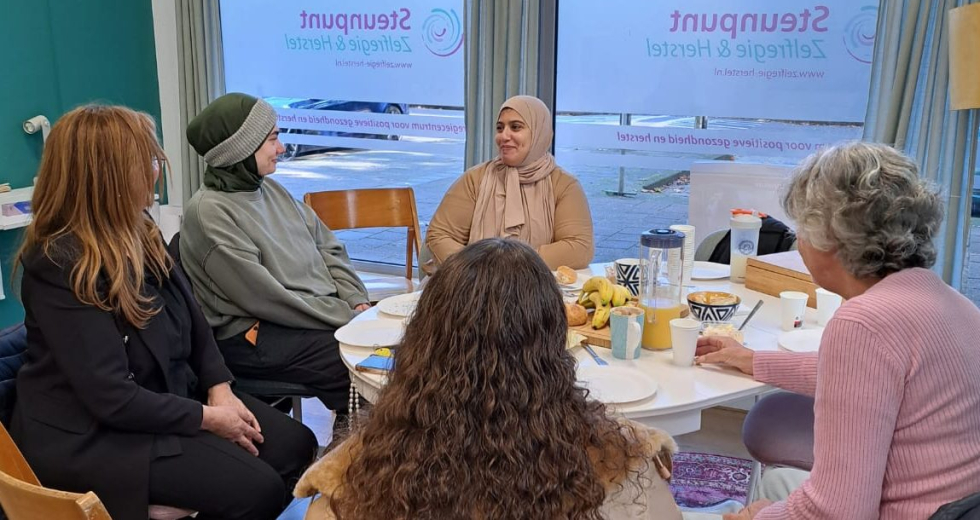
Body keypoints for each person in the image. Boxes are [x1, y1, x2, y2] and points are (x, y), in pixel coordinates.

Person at [12, 105, 318, 520]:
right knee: (256, 488)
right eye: (146, 162)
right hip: (95, 434)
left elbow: (191, 315)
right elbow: (112, 398)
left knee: (296, 445)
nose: (155, 172)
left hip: (162, 395)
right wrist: (210, 419)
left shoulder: (140, 230)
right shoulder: (60, 264)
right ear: (108, 177)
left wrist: (219, 385)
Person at [292, 238, 681, 520]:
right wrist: (638, 442)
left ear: (424, 341)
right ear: (551, 348)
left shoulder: (351, 484)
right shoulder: (619, 465)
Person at [695, 142, 980, 519]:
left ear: (832, 236)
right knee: (777, 484)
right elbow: (868, 378)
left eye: (802, 227)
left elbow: (836, 512)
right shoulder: (952, 303)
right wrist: (754, 361)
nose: (798, 241)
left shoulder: (863, 323)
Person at [179, 92, 370, 427]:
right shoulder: (209, 213)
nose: (281, 148)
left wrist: (356, 303)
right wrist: (344, 318)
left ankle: (363, 454)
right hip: (252, 334)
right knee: (356, 363)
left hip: (304, 316)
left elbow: (329, 247)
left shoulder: (271, 190)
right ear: (241, 149)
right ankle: (355, 464)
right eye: (272, 139)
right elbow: (267, 298)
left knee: (382, 355)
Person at [425, 95, 594, 270]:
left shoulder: (563, 185)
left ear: (539, 132)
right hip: (474, 287)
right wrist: (478, 270)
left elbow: (579, 247)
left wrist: (512, 266)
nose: (504, 136)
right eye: (500, 128)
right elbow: (439, 235)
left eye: (515, 127)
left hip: (536, 288)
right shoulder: (476, 179)